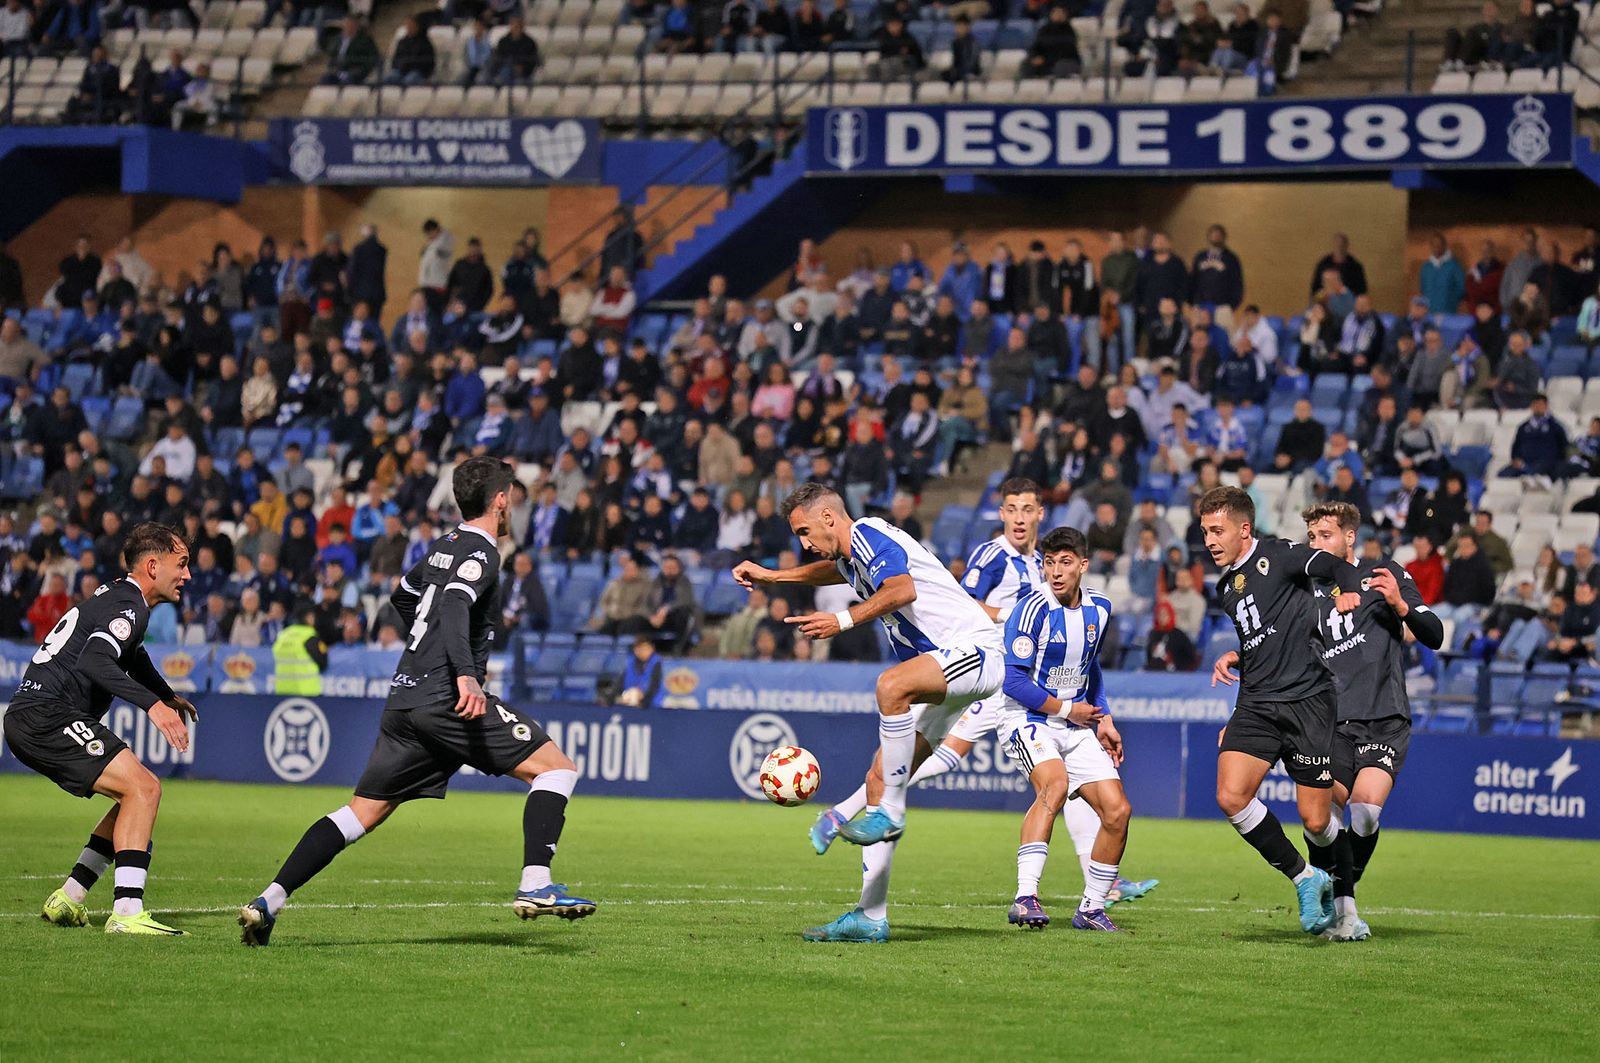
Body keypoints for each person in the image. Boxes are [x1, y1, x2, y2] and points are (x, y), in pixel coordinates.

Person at [238, 458, 597, 946]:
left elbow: (402, 597)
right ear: (500, 499)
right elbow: (451, 605)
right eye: (511, 493)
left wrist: (427, 650)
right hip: (447, 698)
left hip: (404, 698)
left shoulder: (442, 547)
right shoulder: (483, 552)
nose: (512, 501)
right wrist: (465, 677)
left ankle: (268, 901)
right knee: (556, 769)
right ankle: (536, 883)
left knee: (360, 813)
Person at [731, 482, 1003, 943]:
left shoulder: (871, 534)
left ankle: (891, 812)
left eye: (804, 531)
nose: (803, 543)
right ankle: (870, 915)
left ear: (830, 518)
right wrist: (775, 577)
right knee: (879, 778)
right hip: (944, 665)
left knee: (890, 686)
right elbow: (833, 572)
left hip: (975, 650)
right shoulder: (852, 557)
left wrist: (842, 620)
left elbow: (902, 590)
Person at [6, 522, 197, 936]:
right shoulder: (129, 604)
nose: (187, 575)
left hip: (35, 713)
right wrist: (153, 707)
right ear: (152, 565)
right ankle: (127, 912)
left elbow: (131, 651)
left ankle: (70, 897)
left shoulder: (118, 596)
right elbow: (94, 661)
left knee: (135, 796)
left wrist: (164, 694)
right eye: (180, 565)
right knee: (145, 790)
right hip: (48, 714)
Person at [1202, 485, 1361, 936]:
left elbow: (1330, 564)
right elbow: (1261, 645)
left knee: (1316, 819)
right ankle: (1304, 876)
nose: (1210, 540)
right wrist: (1237, 673)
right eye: (1206, 532)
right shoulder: (1225, 588)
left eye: (1218, 530)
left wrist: (1346, 589)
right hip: (1256, 703)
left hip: (1308, 702)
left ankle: (1344, 897)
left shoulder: (1280, 555)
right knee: (1230, 795)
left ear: (1244, 529)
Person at [1302, 502, 1444, 942]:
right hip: (1332, 723)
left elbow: (1434, 635)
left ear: (1349, 537)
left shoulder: (1383, 575)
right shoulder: (1306, 591)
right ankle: (1342, 906)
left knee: (1363, 814)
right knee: (1319, 813)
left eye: (1325, 535)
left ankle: (1344, 890)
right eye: (1312, 537)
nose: (1316, 544)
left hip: (1383, 717)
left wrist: (1401, 605)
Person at [998, 526, 1133, 932]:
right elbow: (1013, 682)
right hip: (1027, 719)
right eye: (1049, 562)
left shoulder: (1101, 608)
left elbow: (1089, 667)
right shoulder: (1030, 609)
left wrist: (1104, 718)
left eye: (1065, 562)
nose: (1056, 571)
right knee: (1053, 787)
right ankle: (1025, 897)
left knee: (1117, 811)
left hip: (1075, 724)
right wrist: (1069, 709)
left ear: (1083, 565)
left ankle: (1091, 908)